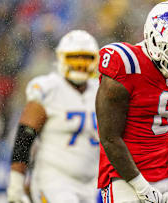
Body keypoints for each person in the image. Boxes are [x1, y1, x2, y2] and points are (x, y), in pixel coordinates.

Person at [95, 1, 168, 202]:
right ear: (155, 40)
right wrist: (141, 186)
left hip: (165, 173)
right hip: (123, 177)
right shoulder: (126, 66)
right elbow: (110, 138)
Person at [6, 30, 100, 203]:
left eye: (85, 58)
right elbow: (24, 137)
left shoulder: (100, 91)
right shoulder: (48, 89)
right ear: (61, 58)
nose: (80, 64)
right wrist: (16, 182)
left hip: (92, 182)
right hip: (54, 178)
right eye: (75, 58)